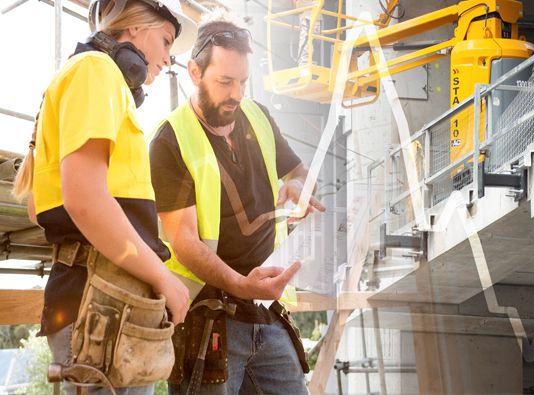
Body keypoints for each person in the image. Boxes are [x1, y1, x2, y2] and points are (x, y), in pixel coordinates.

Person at [12, 0, 195, 392]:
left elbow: (40, 205)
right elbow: (85, 201)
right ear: (133, 27)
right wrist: (163, 277)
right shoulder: (96, 71)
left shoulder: (84, 76)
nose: (168, 58)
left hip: (104, 297)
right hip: (102, 300)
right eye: (165, 41)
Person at [149, 11, 324, 395]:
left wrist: (299, 185)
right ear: (194, 72)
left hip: (267, 314)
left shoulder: (257, 116)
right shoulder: (169, 141)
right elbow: (185, 242)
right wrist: (242, 285)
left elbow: (298, 172)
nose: (237, 94)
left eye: (243, 82)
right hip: (208, 317)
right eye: (225, 82)